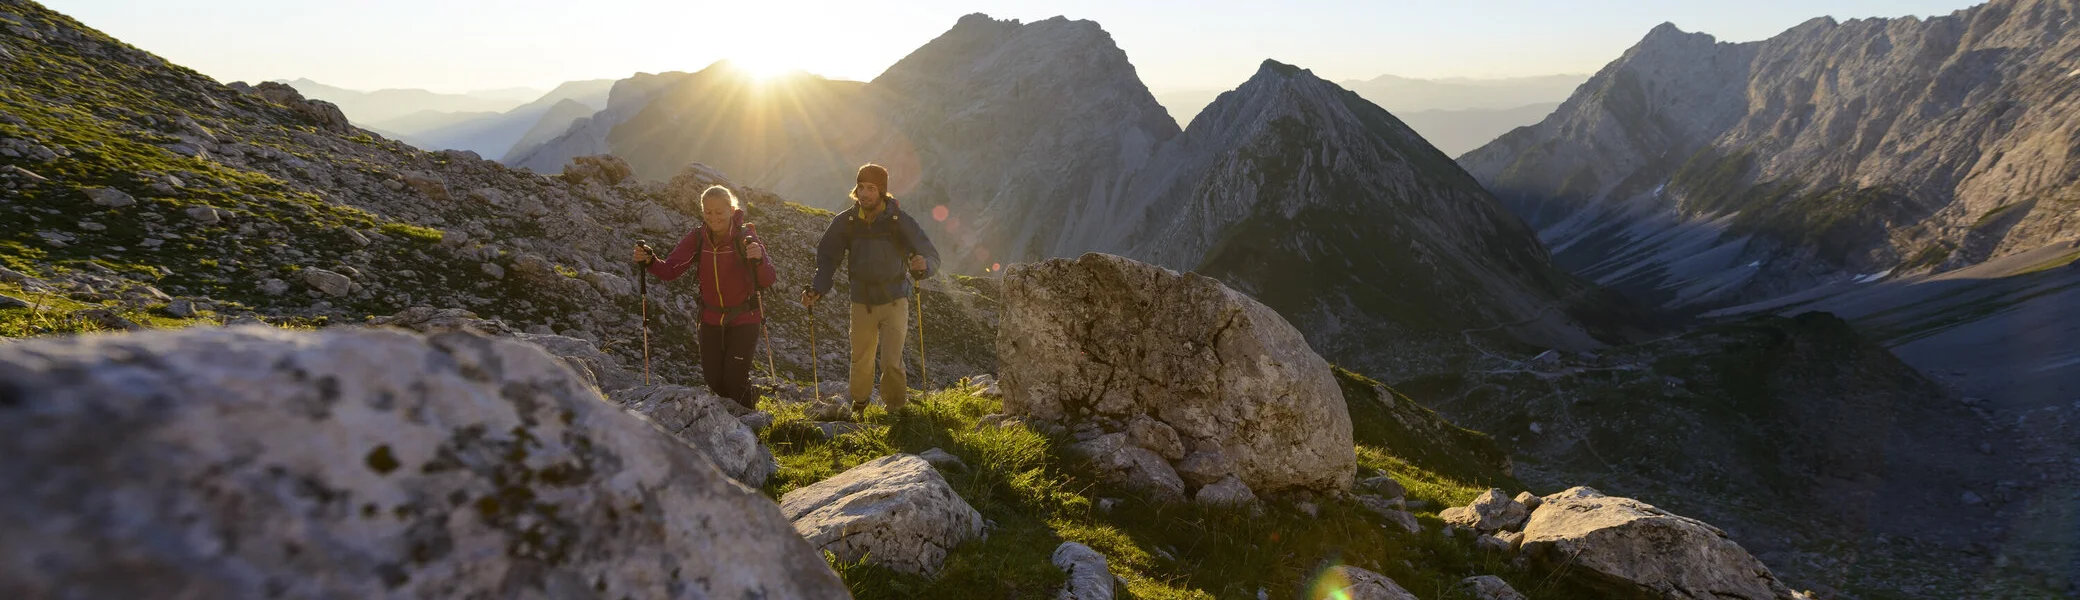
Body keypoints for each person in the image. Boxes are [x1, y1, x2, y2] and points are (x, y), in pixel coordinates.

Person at [801, 163, 940, 415]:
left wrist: (924, 266)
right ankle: (860, 404)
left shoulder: (899, 221)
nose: (864, 194)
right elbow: (828, 258)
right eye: (861, 187)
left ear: (882, 191)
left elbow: (930, 254)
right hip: (861, 300)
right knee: (861, 358)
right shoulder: (846, 222)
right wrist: (817, 289)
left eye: (871, 188)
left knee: (891, 361)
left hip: (895, 299)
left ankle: (895, 409)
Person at [633, 185, 777, 410]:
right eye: (708, 212)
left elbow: (767, 279)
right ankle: (740, 406)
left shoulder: (746, 237)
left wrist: (759, 258)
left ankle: (750, 418)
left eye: (719, 211)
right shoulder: (697, 238)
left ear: (731, 210)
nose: (713, 217)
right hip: (710, 318)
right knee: (714, 381)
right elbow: (671, 270)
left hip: (744, 318)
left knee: (734, 380)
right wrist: (650, 260)